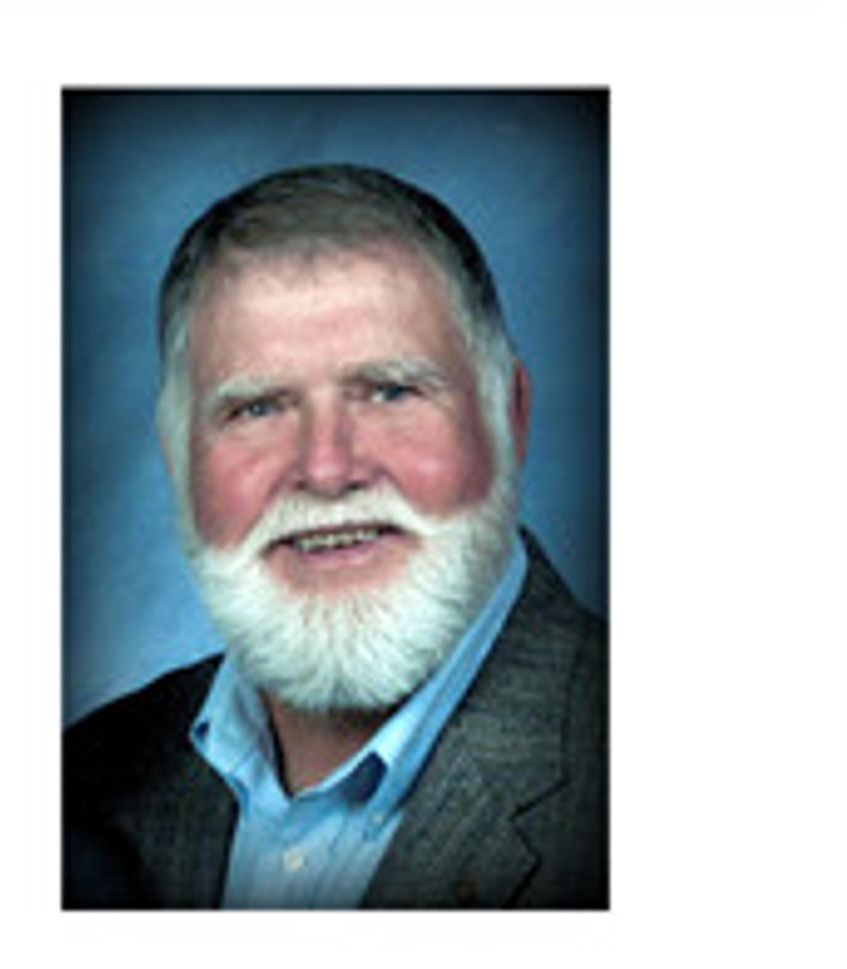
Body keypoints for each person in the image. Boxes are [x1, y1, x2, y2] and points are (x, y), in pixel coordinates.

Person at [63, 163, 607, 910]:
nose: (326, 470)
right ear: (177, 455)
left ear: (507, 417)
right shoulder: (79, 784)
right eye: (257, 408)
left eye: (390, 391)